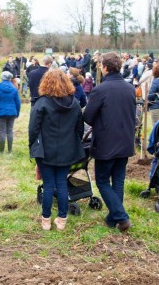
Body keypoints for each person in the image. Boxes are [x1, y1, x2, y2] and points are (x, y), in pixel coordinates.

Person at [83, 52, 136, 232]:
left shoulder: (101, 90)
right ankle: (113, 219)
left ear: (105, 67)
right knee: (118, 181)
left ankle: (121, 217)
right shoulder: (130, 88)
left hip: (107, 143)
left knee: (103, 181)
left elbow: (88, 116)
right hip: (126, 141)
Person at [29, 69, 85, 231]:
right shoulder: (74, 103)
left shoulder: (42, 103)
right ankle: (62, 219)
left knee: (48, 185)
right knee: (61, 184)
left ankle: (46, 220)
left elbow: (33, 129)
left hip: (46, 150)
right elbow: (79, 129)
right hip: (67, 150)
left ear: (46, 83)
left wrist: (32, 145)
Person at [0, 71, 21, 153]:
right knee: (10, 131)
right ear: (10, 78)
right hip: (12, 112)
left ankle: (1, 150)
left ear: (2, 78)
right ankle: (10, 150)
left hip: (1, 112)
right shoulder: (14, 88)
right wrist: (17, 112)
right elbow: (18, 102)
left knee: (2, 131)